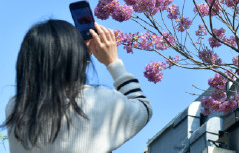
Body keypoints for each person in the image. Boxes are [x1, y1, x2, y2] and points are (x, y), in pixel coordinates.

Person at [2, 20, 152, 153]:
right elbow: (143, 108)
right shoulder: (98, 100)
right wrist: (113, 62)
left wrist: (78, 57)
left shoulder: (15, 109)